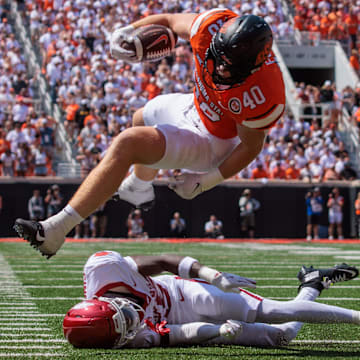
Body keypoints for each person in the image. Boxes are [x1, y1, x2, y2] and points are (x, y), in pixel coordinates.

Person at [14, 10, 285, 258]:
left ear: (254, 65)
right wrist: (127, 31)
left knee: (128, 144)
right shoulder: (209, 26)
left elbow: (251, 146)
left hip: (214, 141)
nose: (218, 69)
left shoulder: (265, 91)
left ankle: (55, 230)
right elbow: (168, 21)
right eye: (217, 58)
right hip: (194, 106)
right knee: (139, 118)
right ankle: (138, 188)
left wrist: (206, 180)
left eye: (229, 66)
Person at [63, 250, 360, 349]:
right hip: (179, 320)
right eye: (127, 327)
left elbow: (164, 259)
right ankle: (312, 284)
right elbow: (179, 334)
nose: (135, 321)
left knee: (270, 311)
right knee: (280, 337)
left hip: (181, 294)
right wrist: (219, 332)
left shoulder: (103, 269)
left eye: (126, 316)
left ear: (108, 302)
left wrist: (212, 275)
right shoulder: (128, 337)